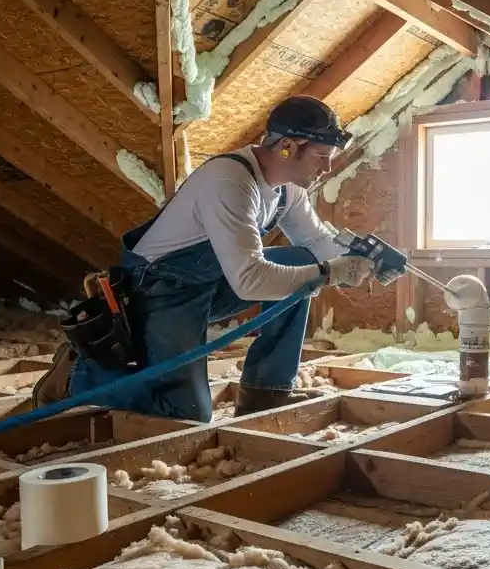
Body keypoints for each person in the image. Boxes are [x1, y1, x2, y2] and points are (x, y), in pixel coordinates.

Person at [33, 96, 377, 421]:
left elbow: (315, 240)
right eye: (321, 156)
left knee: (299, 261)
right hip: (160, 294)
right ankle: (77, 377)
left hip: (211, 284)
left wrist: (361, 259)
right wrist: (329, 272)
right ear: (288, 147)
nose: (328, 167)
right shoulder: (230, 182)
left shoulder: (288, 188)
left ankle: (265, 393)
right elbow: (249, 279)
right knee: (186, 412)